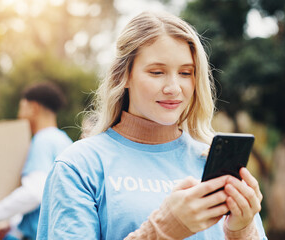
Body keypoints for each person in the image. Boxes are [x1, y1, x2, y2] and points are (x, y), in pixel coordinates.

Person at [37, 11, 267, 240]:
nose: (174, 87)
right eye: (157, 72)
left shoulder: (211, 161)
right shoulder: (79, 166)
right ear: (123, 76)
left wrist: (242, 232)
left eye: (186, 73)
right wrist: (163, 229)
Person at [0, 82, 73, 240]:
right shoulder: (65, 141)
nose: (19, 115)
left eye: (21, 108)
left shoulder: (42, 140)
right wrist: (13, 227)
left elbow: (34, 193)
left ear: (34, 108)